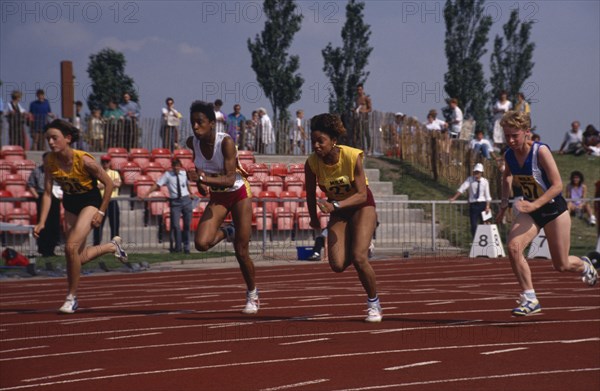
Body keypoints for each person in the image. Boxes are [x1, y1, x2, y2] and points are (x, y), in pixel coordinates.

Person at [496, 111, 597, 317]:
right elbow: (506, 176)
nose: (511, 140)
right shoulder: (509, 154)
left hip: (554, 210)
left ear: (527, 133)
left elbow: (558, 185)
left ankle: (585, 265)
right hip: (532, 211)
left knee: (561, 265)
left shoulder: (540, 151)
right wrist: (504, 203)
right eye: (507, 136)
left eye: (515, 135)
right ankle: (530, 297)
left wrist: (534, 205)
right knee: (514, 247)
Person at [34, 119, 128, 314]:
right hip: (70, 203)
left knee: (70, 247)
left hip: (90, 202)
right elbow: (46, 193)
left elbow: (109, 184)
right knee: (76, 256)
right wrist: (41, 221)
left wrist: (101, 211)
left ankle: (71, 297)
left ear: (67, 139)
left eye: (54, 138)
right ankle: (112, 246)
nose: (51, 142)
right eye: (48, 139)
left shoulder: (84, 160)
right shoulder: (50, 161)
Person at [304, 113, 382, 322]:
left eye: (321, 141)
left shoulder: (351, 156)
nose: (317, 146)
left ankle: (373, 303)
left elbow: (361, 194)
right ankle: (359, 245)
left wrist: (334, 205)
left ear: (333, 141)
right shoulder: (311, 163)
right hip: (338, 211)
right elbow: (310, 194)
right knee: (337, 265)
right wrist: (313, 218)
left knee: (358, 258)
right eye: (313, 141)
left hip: (361, 205)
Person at [185, 100, 259, 314]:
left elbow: (228, 179)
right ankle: (228, 231)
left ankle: (252, 294)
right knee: (201, 243)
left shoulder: (225, 142)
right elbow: (202, 184)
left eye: (200, 122)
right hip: (218, 196)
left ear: (211, 123)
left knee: (241, 251)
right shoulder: (193, 143)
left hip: (238, 194)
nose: (196, 127)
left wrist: (202, 177)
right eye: (193, 123)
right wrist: (199, 182)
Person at [140, 158, 192, 254]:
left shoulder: (184, 173)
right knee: (176, 225)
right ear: (172, 167)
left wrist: (191, 193)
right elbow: (157, 185)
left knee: (187, 225)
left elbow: (187, 184)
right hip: (175, 202)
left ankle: (187, 247)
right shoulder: (168, 175)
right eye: (174, 166)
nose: (176, 168)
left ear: (180, 167)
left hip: (186, 200)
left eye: (178, 166)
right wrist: (146, 194)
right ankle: (178, 247)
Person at [26, 152, 61, 257]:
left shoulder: (56, 171)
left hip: (54, 197)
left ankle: (52, 249)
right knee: (42, 224)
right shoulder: (37, 171)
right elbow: (30, 184)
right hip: (41, 196)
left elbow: (60, 184)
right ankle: (43, 249)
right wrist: (36, 196)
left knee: (54, 223)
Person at [449, 163, 492, 238]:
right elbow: (462, 188)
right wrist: (454, 198)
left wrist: (487, 206)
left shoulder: (485, 181)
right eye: (475, 172)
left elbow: (487, 195)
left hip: (482, 204)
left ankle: (484, 241)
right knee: (473, 225)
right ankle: (475, 240)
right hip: (474, 205)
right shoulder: (470, 179)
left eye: (478, 172)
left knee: (484, 224)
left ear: (481, 173)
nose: (476, 173)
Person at [93, 155, 121, 245]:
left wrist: (105, 184)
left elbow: (118, 183)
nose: (105, 164)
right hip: (102, 201)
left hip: (112, 200)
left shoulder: (114, 172)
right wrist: (110, 184)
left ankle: (115, 245)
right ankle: (96, 245)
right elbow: (97, 186)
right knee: (98, 224)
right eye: (103, 162)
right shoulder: (98, 173)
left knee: (115, 225)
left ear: (110, 163)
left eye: (107, 162)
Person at [354, 84, 372, 154]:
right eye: (358, 90)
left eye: (360, 90)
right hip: (359, 118)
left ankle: (369, 148)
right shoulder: (357, 99)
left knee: (366, 133)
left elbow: (370, 109)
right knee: (360, 133)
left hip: (365, 118)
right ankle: (363, 148)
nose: (359, 91)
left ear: (362, 90)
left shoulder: (366, 98)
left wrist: (363, 111)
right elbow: (357, 107)